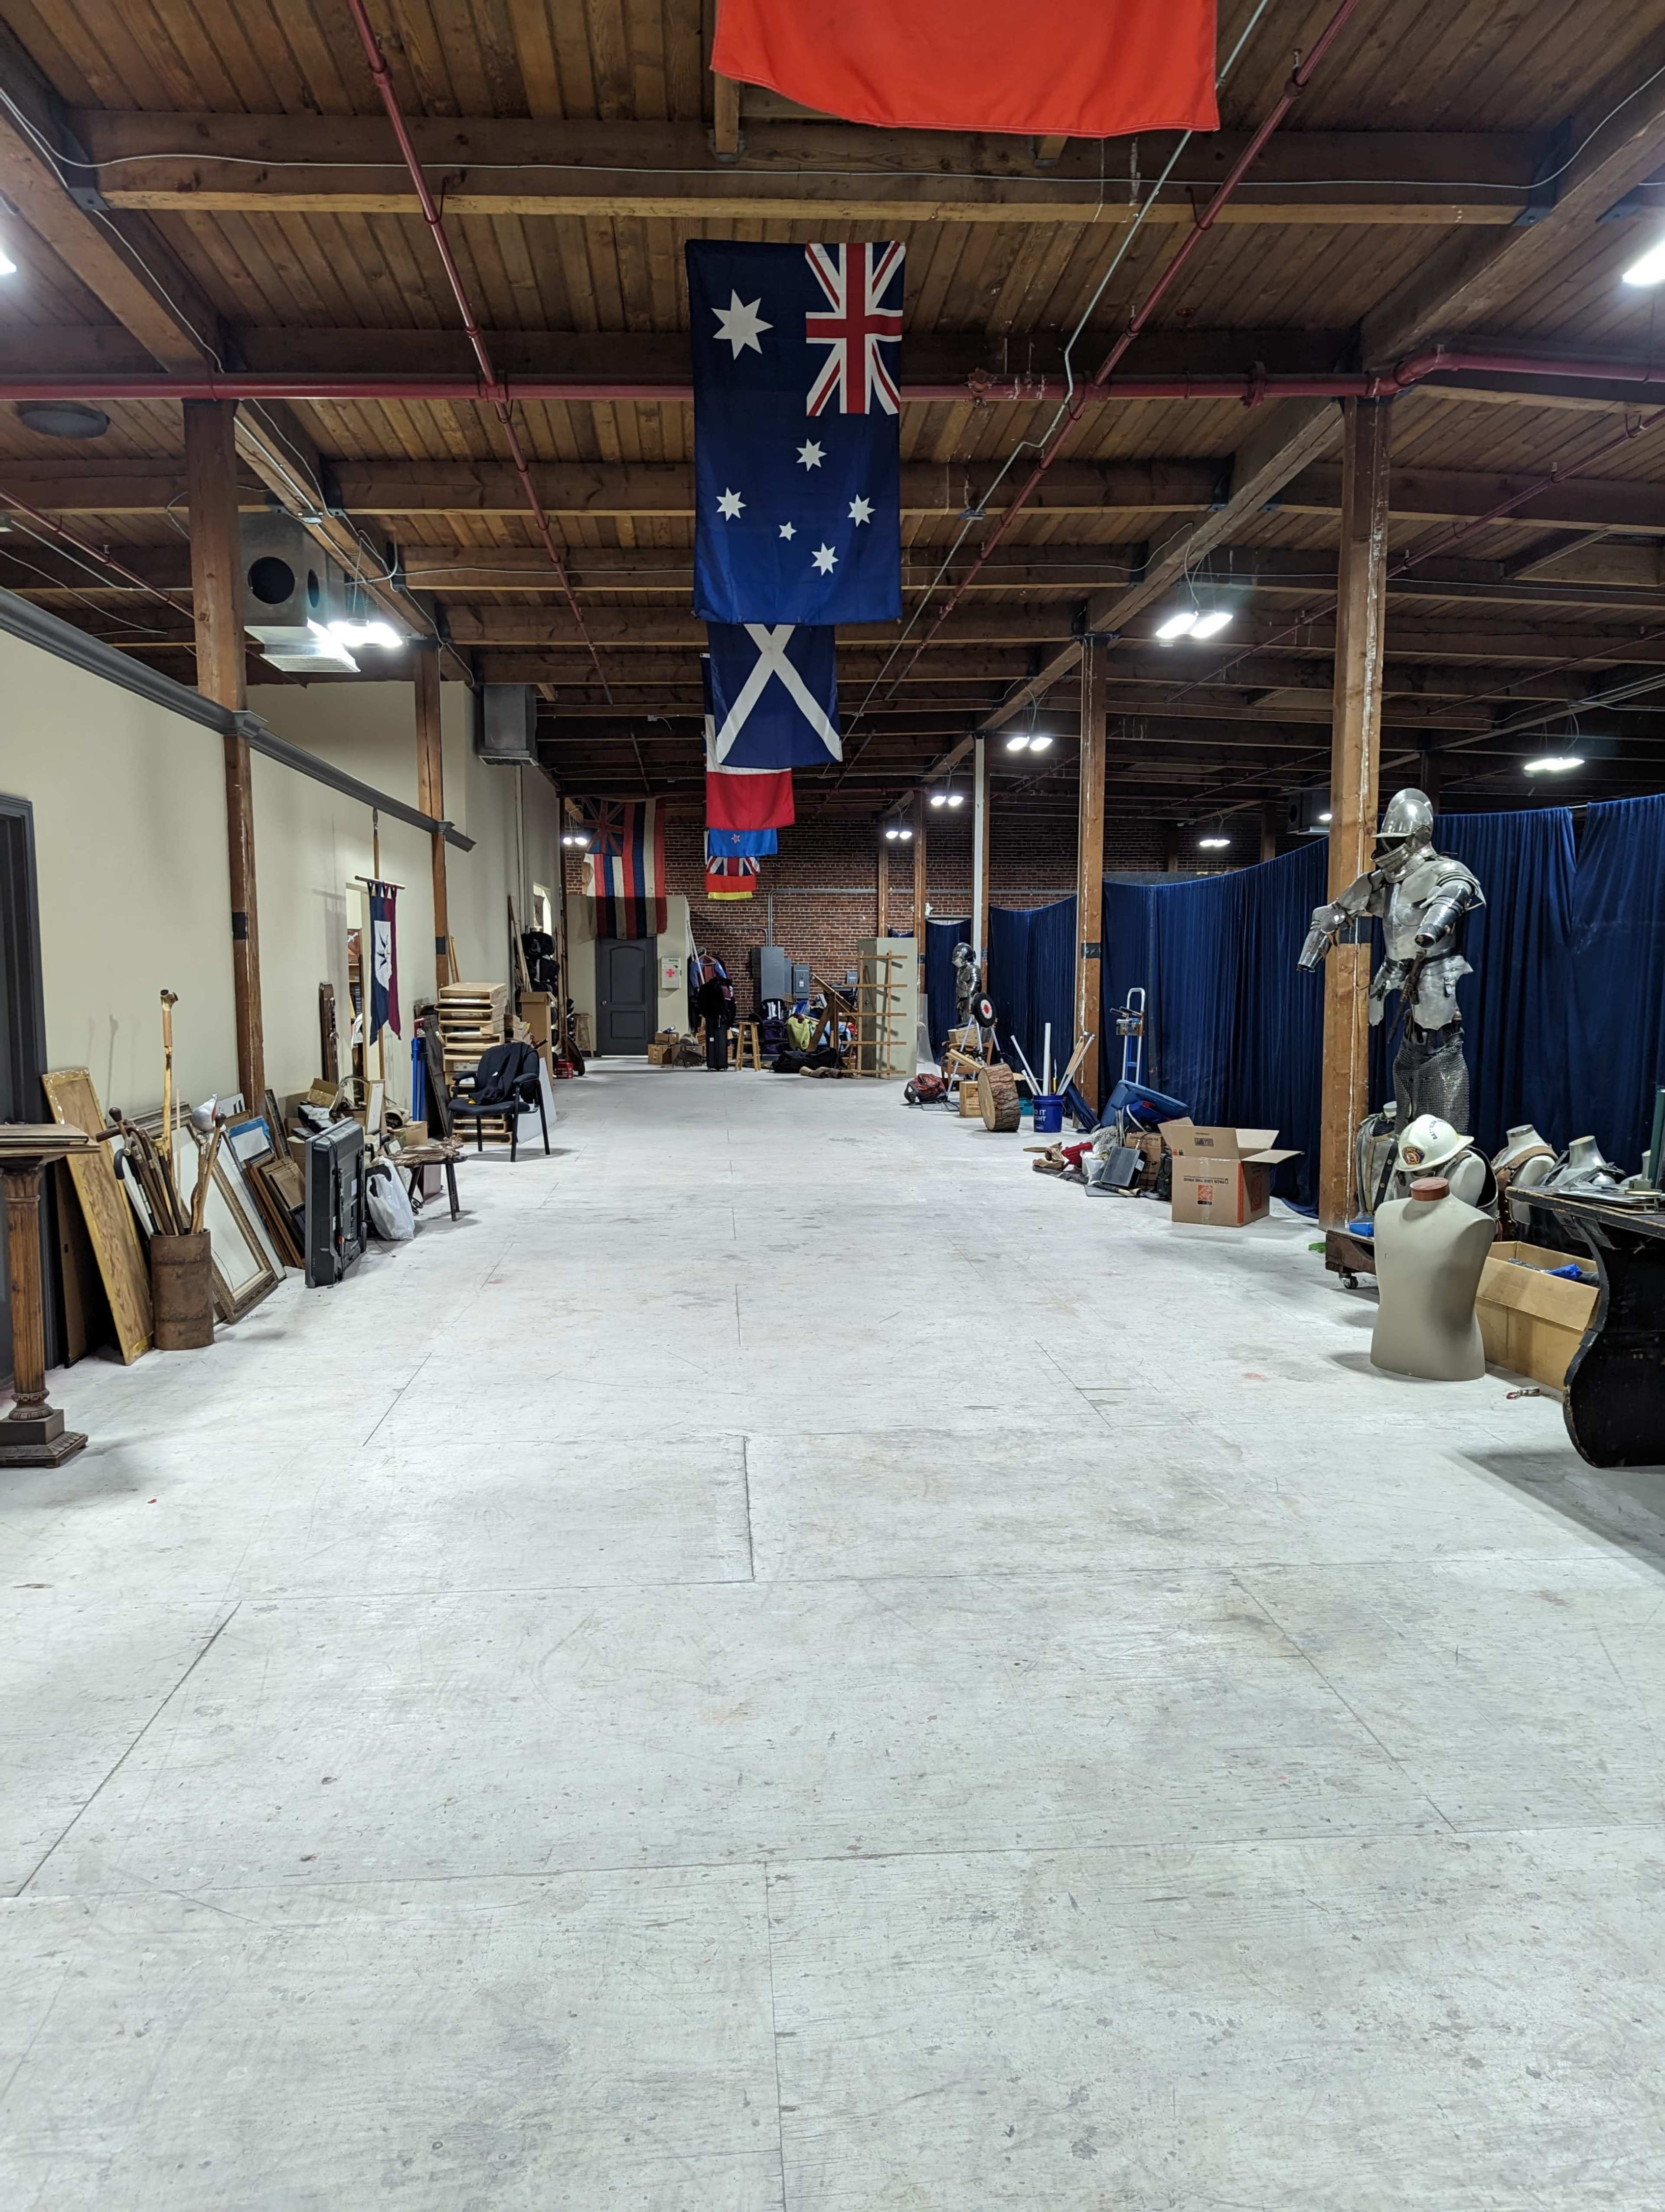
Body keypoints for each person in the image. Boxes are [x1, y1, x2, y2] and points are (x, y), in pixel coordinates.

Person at [694, 959, 731, 1071]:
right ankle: (721, 1063)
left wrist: (695, 989)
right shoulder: (724, 988)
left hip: (711, 1017)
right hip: (721, 1018)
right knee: (720, 1039)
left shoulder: (706, 988)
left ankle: (713, 1063)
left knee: (712, 1039)